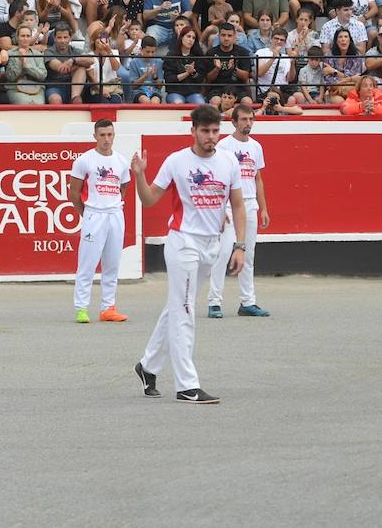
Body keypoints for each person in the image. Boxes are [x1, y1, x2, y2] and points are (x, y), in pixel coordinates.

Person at [131, 104, 246, 405]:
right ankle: (187, 385)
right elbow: (149, 199)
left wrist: (240, 246)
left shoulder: (229, 161)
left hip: (213, 245)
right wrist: (139, 176)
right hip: (183, 242)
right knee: (184, 310)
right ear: (192, 130)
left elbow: (238, 205)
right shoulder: (176, 161)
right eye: (205, 131)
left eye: (215, 131)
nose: (211, 136)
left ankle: (148, 366)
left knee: (178, 306)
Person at [206, 103, 271, 318]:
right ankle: (214, 301)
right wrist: (218, 207)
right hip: (228, 205)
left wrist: (263, 208)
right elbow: (217, 176)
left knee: (248, 254)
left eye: (251, 119)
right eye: (243, 119)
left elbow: (258, 179)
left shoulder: (256, 147)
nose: (248, 123)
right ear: (234, 122)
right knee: (224, 252)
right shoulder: (224, 146)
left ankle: (247, 301)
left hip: (250, 204)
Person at [67, 119, 132, 324]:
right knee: (87, 264)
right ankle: (81, 308)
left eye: (110, 135)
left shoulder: (121, 161)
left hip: (116, 215)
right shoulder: (84, 161)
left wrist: (113, 205)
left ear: (114, 135)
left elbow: (123, 188)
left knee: (112, 264)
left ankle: (108, 308)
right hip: (93, 215)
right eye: (102, 135)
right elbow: (74, 192)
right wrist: (86, 213)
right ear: (95, 136)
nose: (106, 139)